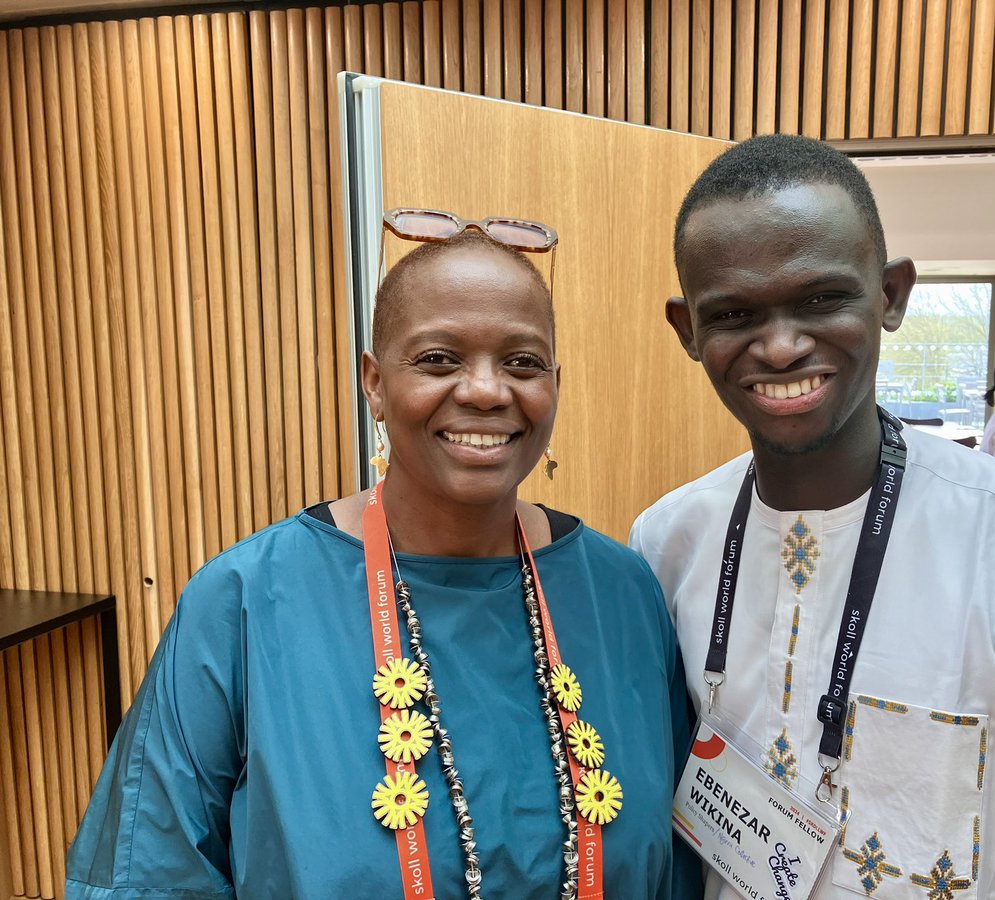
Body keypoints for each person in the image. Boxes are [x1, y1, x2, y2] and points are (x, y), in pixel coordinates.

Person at [630, 135, 995, 898]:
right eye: (734, 313)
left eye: (822, 298)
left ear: (891, 294)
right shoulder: (669, 544)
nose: (782, 345)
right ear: (687, 329)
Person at [68, 213, 702, 899]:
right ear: (373, 381)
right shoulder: (248, 600)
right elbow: (146, 877)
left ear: (555, 383)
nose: (486, 390)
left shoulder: (622, 594)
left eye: (521, 362)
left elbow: (683, 859)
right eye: (439, 359)